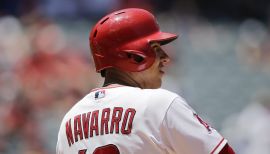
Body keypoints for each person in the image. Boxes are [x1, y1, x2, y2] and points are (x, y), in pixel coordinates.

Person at [56, 8, 235, 154]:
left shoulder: (68, 121)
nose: (165, 58)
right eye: (156, 49)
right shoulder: (159, 104)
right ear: (133, 56)